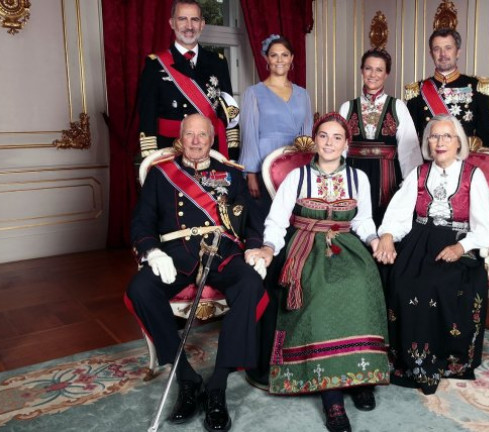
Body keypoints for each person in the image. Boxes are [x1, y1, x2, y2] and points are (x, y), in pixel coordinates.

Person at [247, 113, 389, 432]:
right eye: (323, 136)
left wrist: (376, 240)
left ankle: (361, 378)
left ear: (346, 144)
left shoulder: (358, 179)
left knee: (363, 284)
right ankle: (333, 399)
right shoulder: (297, 177)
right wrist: (269, 247)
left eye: (337, 137)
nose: (329, 143)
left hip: (346, 246)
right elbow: (277, 221)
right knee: (323, 294)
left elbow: (363, 221)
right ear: (315, 140)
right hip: (305, 248)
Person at [126, 114, 269, 432]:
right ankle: (186, 378)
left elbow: (252, 220)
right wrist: (152, 251)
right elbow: (141, 221)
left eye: (201, 135)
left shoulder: (230, 176)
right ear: (180, 137)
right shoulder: (162, 174)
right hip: (175, 257)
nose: (195, 140)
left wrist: (255, 247)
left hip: (221, 254)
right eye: (189, 134)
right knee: (140, 289)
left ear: (211, 139)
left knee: (251, 284)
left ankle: (218, 384)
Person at [373, 114, 489, 395]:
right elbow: (400, 215)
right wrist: (389, 237)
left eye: (447, 136)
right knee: (399, 280)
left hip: (456, 241)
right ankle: (402, 358)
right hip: (419, 238)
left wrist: (461, 247)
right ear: (427, 141)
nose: (440, 142)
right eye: (434, 136)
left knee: (435, 286)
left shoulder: (473, 176)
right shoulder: (418, 173)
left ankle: (439, 359)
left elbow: (486, 229)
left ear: (458, 142)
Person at [137, 0, 239, 160]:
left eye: (195, 20)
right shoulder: (155, 64)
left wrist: (232, 152)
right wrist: (152, 158)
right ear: (172, 23)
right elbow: (147, 117)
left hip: (212, 150)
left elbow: (229, 112)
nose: (189, 26)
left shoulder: (218, 62)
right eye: (182, 19)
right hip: (171, 151)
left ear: (202, 24)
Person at [339, 48, 423, 226]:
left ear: (386, 74)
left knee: (384, 229)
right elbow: (339, 151)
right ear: (362, 70)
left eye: (379, 70)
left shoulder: (398, 106)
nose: (373, 74)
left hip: (388, 179)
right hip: (355, 175)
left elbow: (410, 152)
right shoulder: (347, 107)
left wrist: (410, 188)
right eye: (368, 68)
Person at [238, 34, 313, 222]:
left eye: (284, 55)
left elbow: (307, 133)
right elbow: (249, 135)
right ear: (266, 59)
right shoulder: (253, 93)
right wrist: (251, 173)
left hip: (297, 164)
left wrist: (311, 168)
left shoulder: (303, 94)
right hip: (265, 165)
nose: (280, 60)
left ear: (292, 58)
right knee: (268, 217)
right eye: (274, 55)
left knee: (297, 217)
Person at [406, 28, 489, 149]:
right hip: (429, 164)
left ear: (458, 52)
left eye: (448, 48)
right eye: (437, 49)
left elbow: (486, 140)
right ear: (431, 54)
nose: (443, 54)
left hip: (465, 163)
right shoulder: (418, 91)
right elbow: (409, 143)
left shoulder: (476, 88)